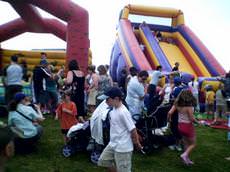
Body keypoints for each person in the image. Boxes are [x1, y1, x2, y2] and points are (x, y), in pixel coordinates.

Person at [97, 87, 142, 172]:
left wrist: (137, 143)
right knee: (103, 161)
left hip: (123, 147)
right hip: (113, 143)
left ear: (116, 99)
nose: (105, 102)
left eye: (107, 99)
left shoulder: (123, 112)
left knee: (124, 170)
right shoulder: (113, 108)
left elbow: (132, 129)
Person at [168, 90, 198, 165]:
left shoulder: (176, 103)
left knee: (186, 144)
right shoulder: (189, 106)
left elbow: (169, 112)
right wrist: (198, 122)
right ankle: (184, 155)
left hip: (180, 125)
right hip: (188, 126)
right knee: (193, 144)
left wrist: (169, 119)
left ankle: (186, 160)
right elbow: (191, 118)